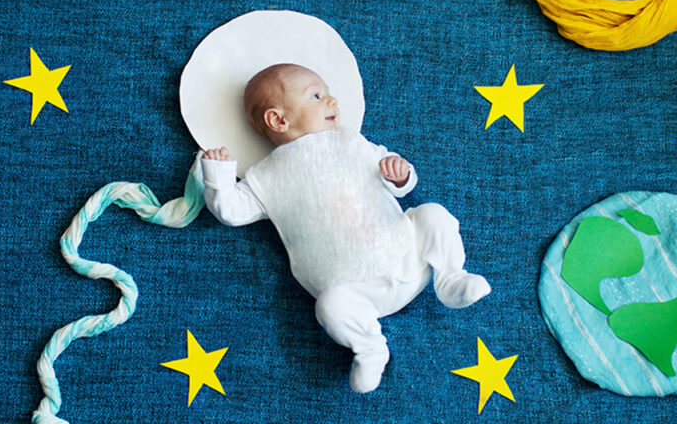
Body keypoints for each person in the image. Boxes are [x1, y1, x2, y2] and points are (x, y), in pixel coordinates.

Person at [200, 63, 490, 393]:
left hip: (410, 258)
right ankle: (370, 347)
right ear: (279, 120)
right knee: (328, 306)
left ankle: (450, 276)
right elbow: (232, 211)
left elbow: (398, 180)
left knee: (431, 215)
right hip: (354, 295)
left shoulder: (353, 142)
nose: (332, 101)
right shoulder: (267, 176)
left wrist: (399, 175)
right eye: (317, 95)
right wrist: (219, 178)